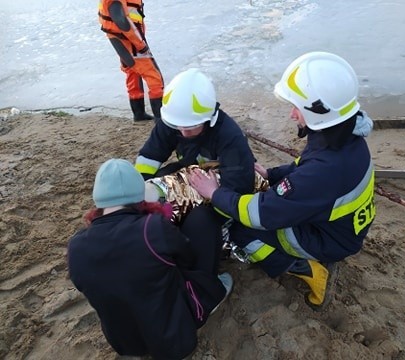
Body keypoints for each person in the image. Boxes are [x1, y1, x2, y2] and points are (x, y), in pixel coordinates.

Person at [189, 52, 376, 311]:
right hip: (342, 229)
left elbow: (261, 214)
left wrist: (215, 194)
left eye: (296, 107)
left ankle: (306, 269)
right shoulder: (343, 138)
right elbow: (303, 167)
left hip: (330, 241)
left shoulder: (324, 170)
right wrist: (272, 174)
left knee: (241, 231)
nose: (291, 115)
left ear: (317, 112)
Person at [67, 159, 233, 359]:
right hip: (176, 339)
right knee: (202, 220)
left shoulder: (76, 246)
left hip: (126, 343)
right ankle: (210, 295)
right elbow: (187, 257)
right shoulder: (151, 228)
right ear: (139, 196)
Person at [134, 68, 256, 196]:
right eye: (178, 126)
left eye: (190, 127)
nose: (183, 132)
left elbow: (239, 187)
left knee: (199, 215)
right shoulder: (174, 120)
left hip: (221, 182)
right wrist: (139, 187)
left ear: (208, 120)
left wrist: (214, 196)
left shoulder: (230, 136)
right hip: (192, 168)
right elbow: (150, 155)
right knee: (158, 181)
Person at [98, 0, 164, 121]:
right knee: (154, 76)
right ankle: (161, 119)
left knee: (133, 73)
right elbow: (121, 20)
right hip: (130, 42)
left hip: (121, 41)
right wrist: (140, 44)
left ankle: (139, 114)